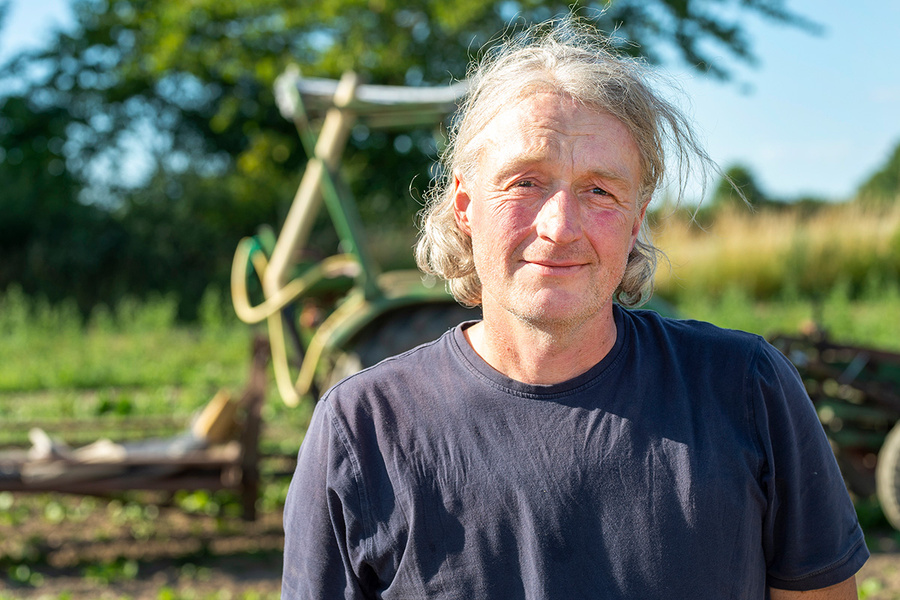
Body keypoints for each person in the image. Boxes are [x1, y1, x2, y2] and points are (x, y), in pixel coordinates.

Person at [281, 17, 868, 599]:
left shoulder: (745, 389)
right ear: (464, 205)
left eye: (599, 191)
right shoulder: (362, 432)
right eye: (524, 182)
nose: (560, 226)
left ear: (636, 220)